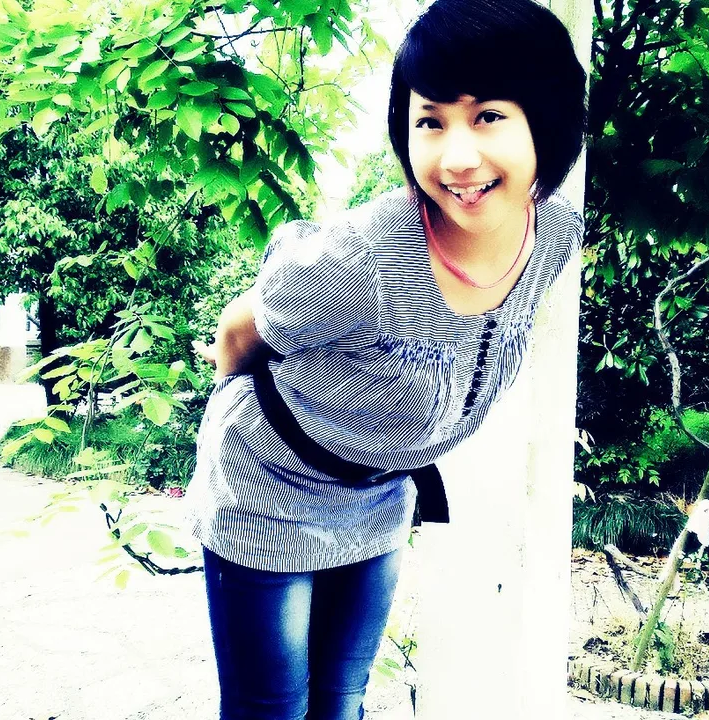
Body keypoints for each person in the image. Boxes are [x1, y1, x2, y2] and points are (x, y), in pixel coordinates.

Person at [186, 0, 588, 718]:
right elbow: (237, 338)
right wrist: (230, 454)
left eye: (488, 116)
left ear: (548, 121)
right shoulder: (359, 258)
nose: (456, 156)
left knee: (342, 701)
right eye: (431, 121)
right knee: (271, 708)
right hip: (267, 490)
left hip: (379, 494)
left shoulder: (554, 234)